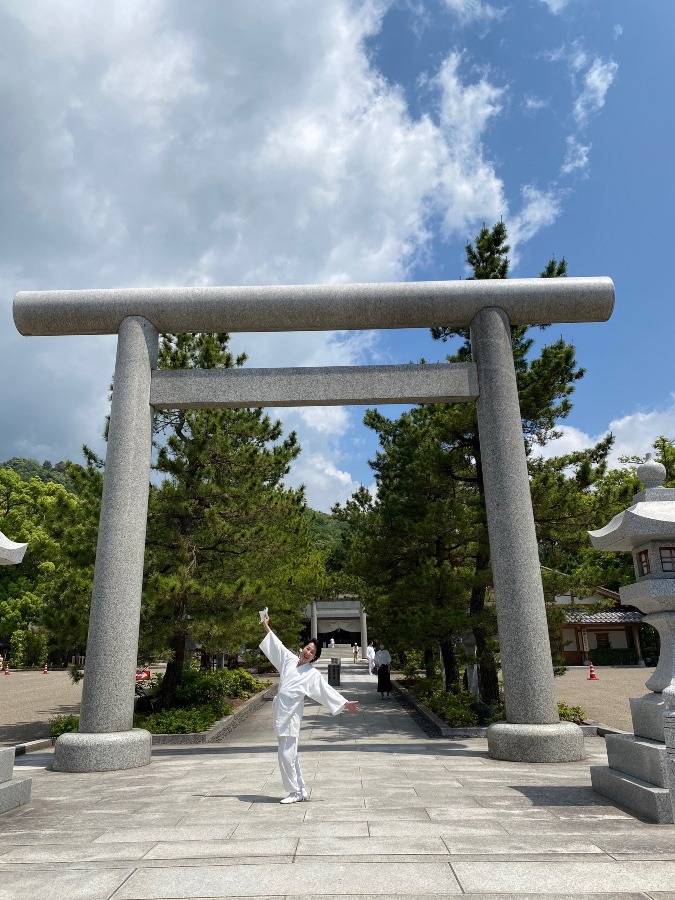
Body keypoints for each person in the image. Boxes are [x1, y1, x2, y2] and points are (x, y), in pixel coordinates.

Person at [260, 614, 360, 804]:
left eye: (312, 652)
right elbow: (276, 644)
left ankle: (294, 792)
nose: (308, 653)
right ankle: (302, 789)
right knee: (291, 755)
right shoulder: (288, 660)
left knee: (285, 755)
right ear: (302, 648)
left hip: (291, 716)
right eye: (307, 648)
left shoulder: (312, 674)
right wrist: (266, 625)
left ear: (314, 658)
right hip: (280, 712)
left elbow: (325, 690)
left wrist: (344, 703)